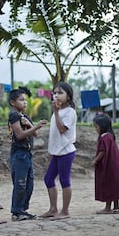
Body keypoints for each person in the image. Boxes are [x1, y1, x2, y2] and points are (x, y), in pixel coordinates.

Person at [8, 87, 47, 221]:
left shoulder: (25, 116)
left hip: (27, 154)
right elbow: (19, 135)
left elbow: (35, 134)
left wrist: (31, 125)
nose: (25, 102)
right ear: (13, 102)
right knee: (20, 183)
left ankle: (23, 209)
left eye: (25, 100)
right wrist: (35, 126)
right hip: (19, 154)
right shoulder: (14, 115)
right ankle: (17, 211)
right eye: (21, 100)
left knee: (29, 184)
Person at [40, 82, 77, 220]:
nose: (56, 95)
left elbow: (62, 130)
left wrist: (55, 112)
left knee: (64, 180)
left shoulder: (70, 112)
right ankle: (53, 209)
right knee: (48, 178)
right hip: (57, 151)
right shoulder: (58, 111)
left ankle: (65, 211)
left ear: (68, 96)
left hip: (66, 151)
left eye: (60, 93)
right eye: (54, 93)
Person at [91, 113, 119, 214]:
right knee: (114, 185)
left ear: (102, 126)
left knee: (108, 184)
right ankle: (116, 207)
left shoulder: (105, 137)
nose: (96, 129)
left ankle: (108, 208)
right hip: (114, 165)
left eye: (96, 127)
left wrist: (95, 160)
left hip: (108, 165)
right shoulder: (110, 136)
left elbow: (103, 151)